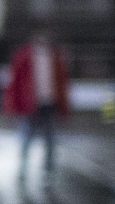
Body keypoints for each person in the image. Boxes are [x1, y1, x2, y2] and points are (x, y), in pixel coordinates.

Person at [6, 28, 69, 179]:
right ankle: (23, 168)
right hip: (30, 105)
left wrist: (63, 106)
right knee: (26, 137)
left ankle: (48, 170)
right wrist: (14, 105)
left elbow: (62, 82)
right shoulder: (23, 56)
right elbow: (15, 82)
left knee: (50, 139)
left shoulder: (55, 56)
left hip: (49, 103)